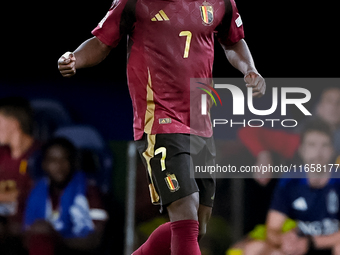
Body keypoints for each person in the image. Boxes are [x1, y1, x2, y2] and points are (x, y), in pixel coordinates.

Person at [57, 0, 266, 253]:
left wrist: (249, 69)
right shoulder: (135, 3)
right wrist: (75, 59)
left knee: (197, 225)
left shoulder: (221, 3)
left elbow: (232, 41)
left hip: (201, 122)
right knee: (185, 211)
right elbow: (102, 42)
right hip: (159, 119)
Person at [229, 119, 340, 255]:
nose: (318, 152)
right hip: (297, 247)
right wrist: (283, 241)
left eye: (324, 145)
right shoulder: (290, 181)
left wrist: (311, 242)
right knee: (255, 249)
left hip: (327, 245)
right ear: (302, 150)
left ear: (332, 150)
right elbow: (273, 228)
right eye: (312, 145)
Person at [24, 137, 108, 255]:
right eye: (53, 160)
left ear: (73, 162)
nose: (59, 166)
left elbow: (96, 240)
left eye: (64, 160)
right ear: (44, 164)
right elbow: (25, 233)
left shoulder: (89, 191)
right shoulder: (36, 192)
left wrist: (57, 239)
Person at [0, 97, 40, 254]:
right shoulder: (2, 154)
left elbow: (32, 196)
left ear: (14, 123)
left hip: (29, 227)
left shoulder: (41, 155)